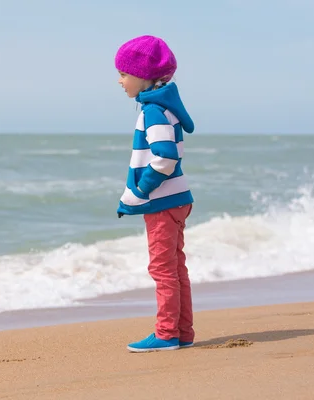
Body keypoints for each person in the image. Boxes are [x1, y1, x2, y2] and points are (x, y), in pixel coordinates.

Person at [115, 35, 196, 352]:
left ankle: (166, 334)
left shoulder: (153, 111)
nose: (119, 81)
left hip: (163, 202)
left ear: (143, 76)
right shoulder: (164, 108)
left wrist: (139, 191)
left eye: (124, 74)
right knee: (176, 269)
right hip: (178, 199)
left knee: (163, 270)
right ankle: (182, 332)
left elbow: (164, 158)